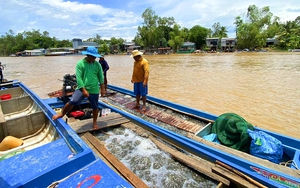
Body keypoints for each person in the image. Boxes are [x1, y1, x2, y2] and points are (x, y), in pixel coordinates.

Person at [52, 46, 105, 129]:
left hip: (94, 88)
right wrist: (83, 89)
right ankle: (62, 113)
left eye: (95, 56)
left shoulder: (97, 64)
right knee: (73, 101)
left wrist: (102, 89)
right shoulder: (80, 64)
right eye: (93, 56)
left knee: (95, 106)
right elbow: (79, 78)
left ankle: (94, 122)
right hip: (81, 88)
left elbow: (101, 77)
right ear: (88, 55)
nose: (94, 58)